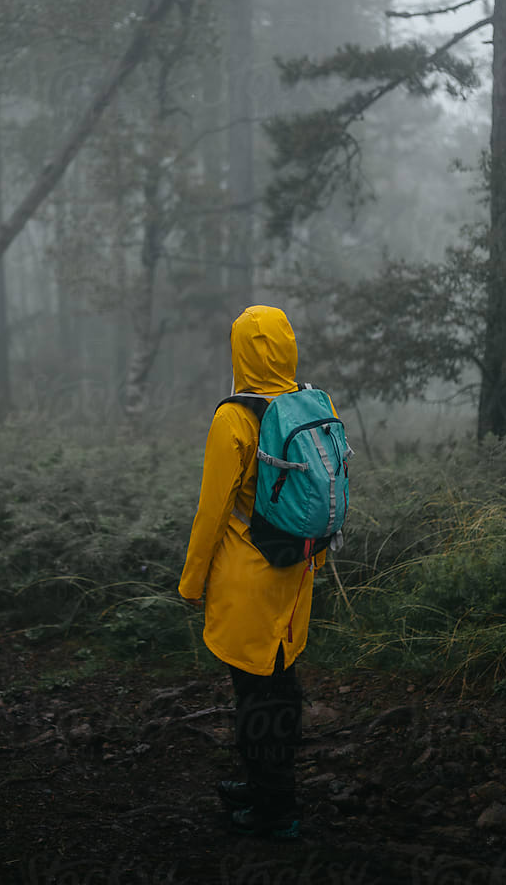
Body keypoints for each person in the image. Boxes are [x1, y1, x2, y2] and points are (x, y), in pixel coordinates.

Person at [178, 304, 330, 840]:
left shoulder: (234, 418)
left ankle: (275, 808)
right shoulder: (307, 406)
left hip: (249, 579)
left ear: (240, 351)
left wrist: (192, 581)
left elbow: (212, 510)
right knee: (280, 684)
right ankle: (268, 786)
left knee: (256, 693)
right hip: (296, 573)